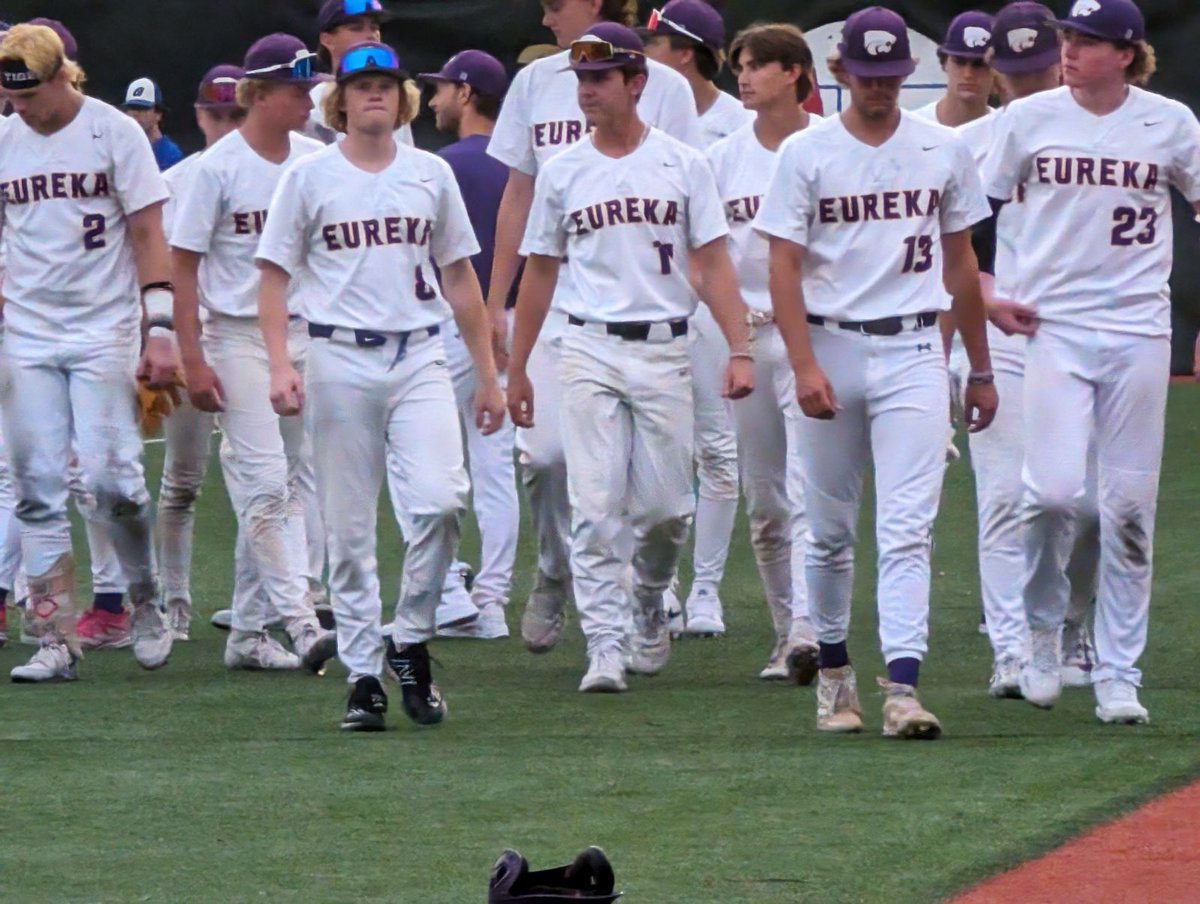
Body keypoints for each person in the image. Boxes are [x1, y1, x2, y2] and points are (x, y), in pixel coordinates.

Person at [757, 7, 997, 738]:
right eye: (868, 74)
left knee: (907, 527)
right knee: (827, 529)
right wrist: (800, 363)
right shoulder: (807, 152)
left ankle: (903, 687)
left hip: (916, 347)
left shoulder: (942, 147)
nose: (881, 87)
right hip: (830, 344)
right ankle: (833, 674)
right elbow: (782, 264)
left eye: (892, 74)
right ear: (837, 72)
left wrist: (978, 367)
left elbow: (961, 263)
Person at [256, 41, 505, 730]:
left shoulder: (429, 174)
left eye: (385, 84)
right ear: (339, 100)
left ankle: (410, 639)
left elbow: (460, 275)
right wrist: (280, 363)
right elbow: (273, 275)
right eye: (361, 83)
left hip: (421, 353)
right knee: (349, 526)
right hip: (337, 357)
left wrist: (487, 375)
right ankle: (364, 676)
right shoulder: (308, 178)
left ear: (403, 99)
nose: (374, 94)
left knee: (441, 503)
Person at [508, 23, 755, 692]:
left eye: (600, 78)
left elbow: (711, 264)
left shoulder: (682, 162)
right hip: (587, 344)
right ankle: (605, 645)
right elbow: (539, 272)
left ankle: (650, 595)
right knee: (594, 507)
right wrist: (517, 366)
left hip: (665, 346)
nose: (586, 90)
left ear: (635, 82)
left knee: (666, 511)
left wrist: (738, 346)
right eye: (581, 79)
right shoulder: (563, 170)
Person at [983, 0, 1200, 724]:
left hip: (1138, 328)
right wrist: (985, 291)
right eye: (1068, 37)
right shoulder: (1029, 118)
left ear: (1128, 52)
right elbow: (975, 216)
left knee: (1128, 508)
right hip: (1055, 327)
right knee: (1050, 495)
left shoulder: (1169, 121)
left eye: (1087, 41)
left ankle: (1118, 673)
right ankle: (1044, 633)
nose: (1069, 51)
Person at [486, 0, 699, 657]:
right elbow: (518, 193)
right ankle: (555, 572)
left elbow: (682, 194)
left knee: (654, 492)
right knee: (544, 455)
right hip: (561, 301)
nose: (550, 13)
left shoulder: (668, 89)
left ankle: (643, 591)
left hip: (645, 297)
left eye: (560, 3)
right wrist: (498, 298)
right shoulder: (534, 82)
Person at [0, 23, 178, 681]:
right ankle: (52, 633)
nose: (19, 107)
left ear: (60, 77)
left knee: (113, 484)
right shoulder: (5, 140)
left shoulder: (113, 132)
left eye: (29, 94)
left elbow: (148, 230)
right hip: (27, 333)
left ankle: (145, 597)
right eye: (8, 95)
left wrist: (159, 328)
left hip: (103, 328)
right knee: (37, 487)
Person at [171, 34, 337, 672]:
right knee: (265, 481)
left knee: (286, 482)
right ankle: (299, 621)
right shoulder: (217, 167)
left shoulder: (315, 156)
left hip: (302, 332)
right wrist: (192, 356)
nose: (308, 97)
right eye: (296, 88)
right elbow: (181, 267)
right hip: (237, 333)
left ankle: (246, 631)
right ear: (258, 95)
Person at [956, 2, 1100, 699]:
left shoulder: (1113, 131)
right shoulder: (976, 143)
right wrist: (981, 309)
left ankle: (1071, 628)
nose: (1026, 83)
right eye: (1010, 71)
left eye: (1038, 67)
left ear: (1065, 58)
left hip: (1094, 336)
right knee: (1008, 498)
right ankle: (1013, 650)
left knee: (1092, 507)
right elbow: (956, 251)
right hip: (1002, 337)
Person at [707, 22, 820, 680]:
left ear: (795, 73)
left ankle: (809, 627)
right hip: (747, 334)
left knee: (807, 489)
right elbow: (708, 259)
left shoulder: (827, 147)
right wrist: (731, 339)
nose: (743, 76)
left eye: (756, 65)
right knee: (766, 500)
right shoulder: (723, 159)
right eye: (739, 65)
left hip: (813, 333)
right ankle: (785, 632)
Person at [641, 0, 747, 636]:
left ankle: (706, 588)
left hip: (712, 298)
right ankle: (663, 587)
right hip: (650, 298)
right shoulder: (641, 111)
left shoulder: (737, 122)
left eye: (656, 45)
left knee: (717, 449)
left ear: (685, 53)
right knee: (656, 454)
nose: (645, 55)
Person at [420, 49, 520, 640]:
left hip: (450, 323)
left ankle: (450, 590)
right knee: (494, 465)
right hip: (509, 319)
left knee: (429, 458)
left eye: (439, 89)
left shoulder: (440, 166)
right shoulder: (522, 165)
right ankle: (492, 601)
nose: (433, 100)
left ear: (465, 91)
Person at [154, 63, 246, 641]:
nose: (225, 124)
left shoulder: (276, 173)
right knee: (182, 479)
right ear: (198, 115)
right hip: (196, 335)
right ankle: (175, 603)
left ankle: (252, 608)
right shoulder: (178, 180)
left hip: (251, 340)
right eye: (216, 114)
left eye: (236, 113)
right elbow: (160, 270)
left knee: (265, 479)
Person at [306, 0, 413, 147]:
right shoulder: (312, 99)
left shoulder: (393, 95)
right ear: (327, 40)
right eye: (356, 28)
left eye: (375, 28)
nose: (371, 35)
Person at [913, 12, 997, 128]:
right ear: (943, 63)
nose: (968, 74)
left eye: (979, 64)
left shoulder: (1008, 133)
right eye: (959, 62)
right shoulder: (913, 127)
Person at [121, 77, 185, 171]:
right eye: (132, 107)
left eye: (142, 108)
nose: (135, 113)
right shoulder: (120, 150)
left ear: (158, 114)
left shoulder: (171, 154)